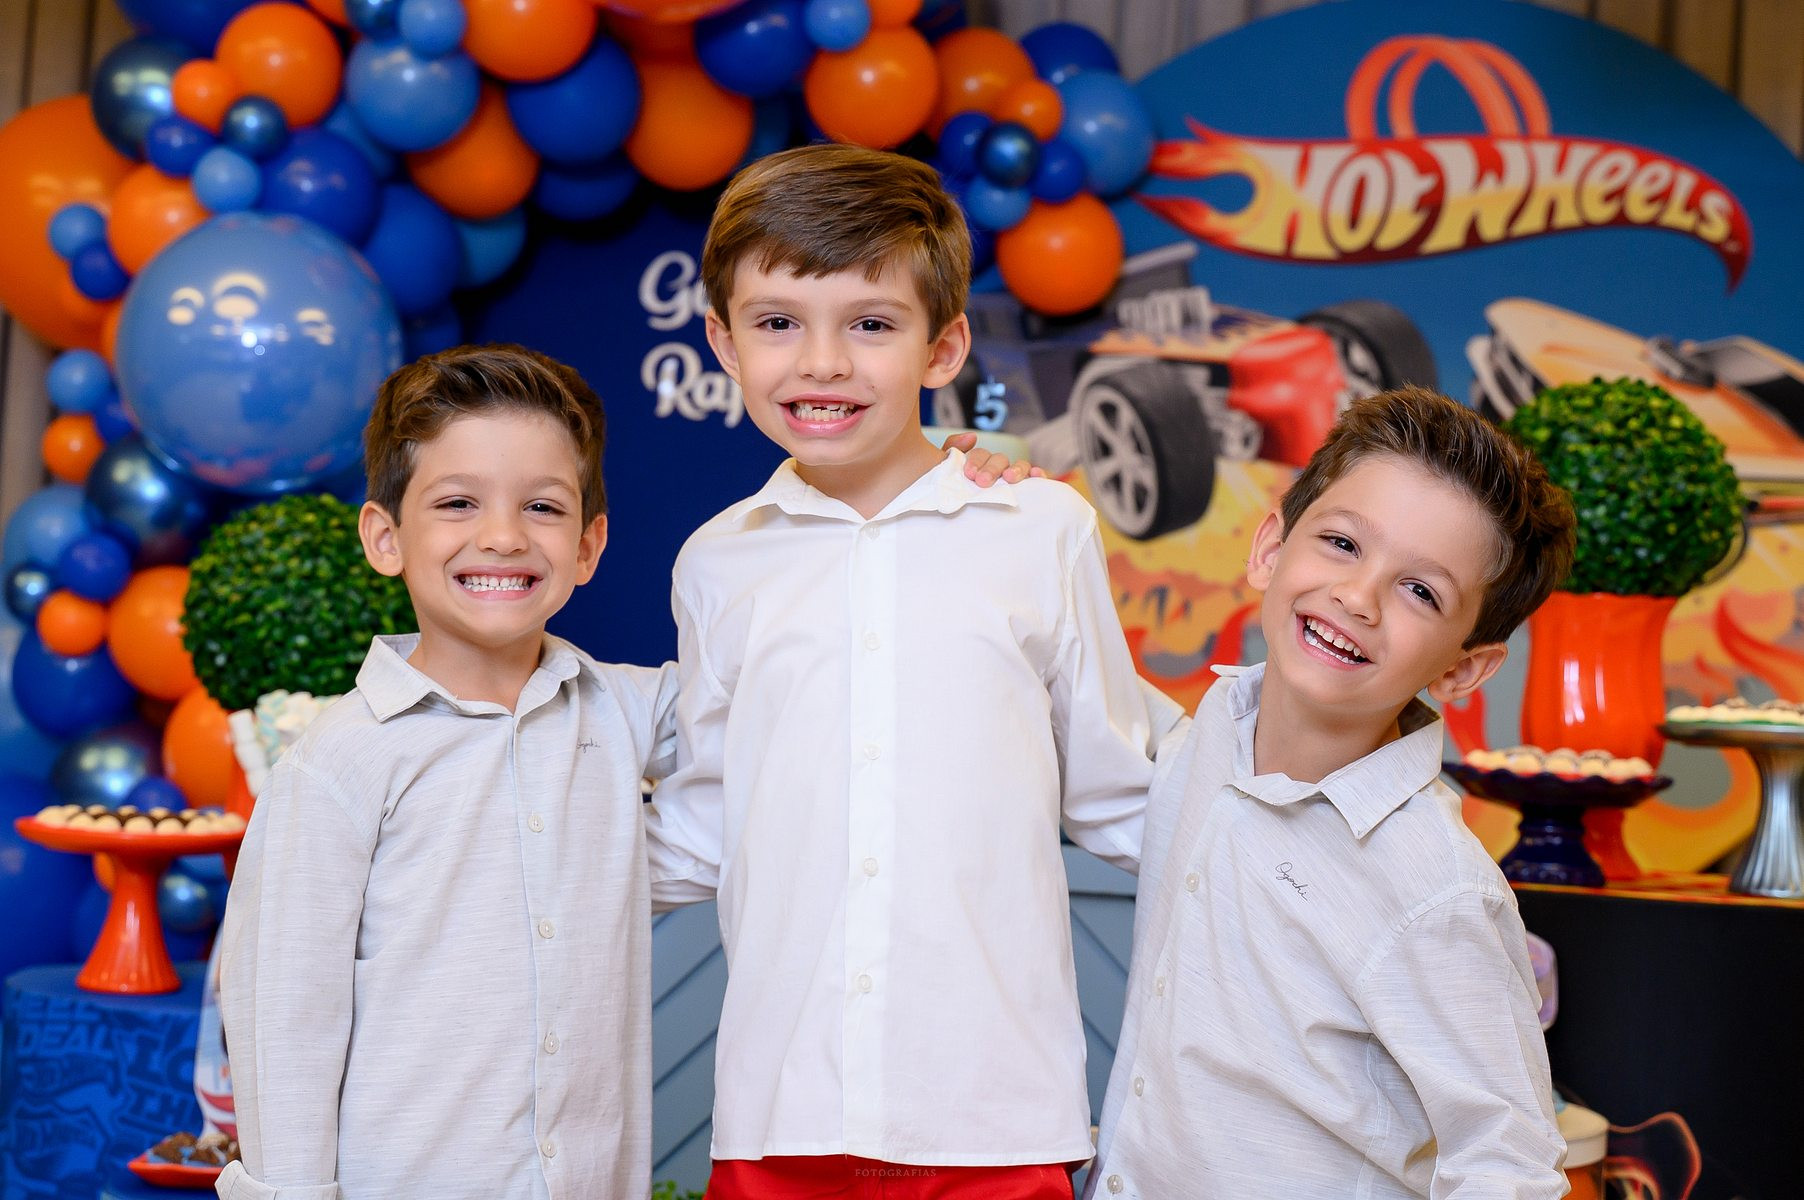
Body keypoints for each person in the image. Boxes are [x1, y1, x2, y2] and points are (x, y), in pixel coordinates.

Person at [212, 343, 1028, 1200]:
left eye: (542, 506)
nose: (503, 536)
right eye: (457, 503)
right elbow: (284, 1019)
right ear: (385, 538)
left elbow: (805, 674)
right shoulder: (340, 763)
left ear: (588, 545)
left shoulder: (623, 711)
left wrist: (934, 506)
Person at [646, 143, 1188, 1199]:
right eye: (777, 323)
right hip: (779, 1106)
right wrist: (512, 867)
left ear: (943, 348)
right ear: (722, 341)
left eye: (871, 325)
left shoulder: (1040, 526)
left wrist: (1295, 860)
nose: (822, 364)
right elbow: (707, 817)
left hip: (995, 1110)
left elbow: (1119, 790)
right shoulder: (715, 562)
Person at [1085, 385, 1578, 1199]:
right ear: (1271, 549)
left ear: (1463, 668)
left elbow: (1510, 1164)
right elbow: (1073, 699)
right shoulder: (1211, 736)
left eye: (1421, 591)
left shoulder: (1437, 891)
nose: (1358, 597)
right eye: (1343, 543)